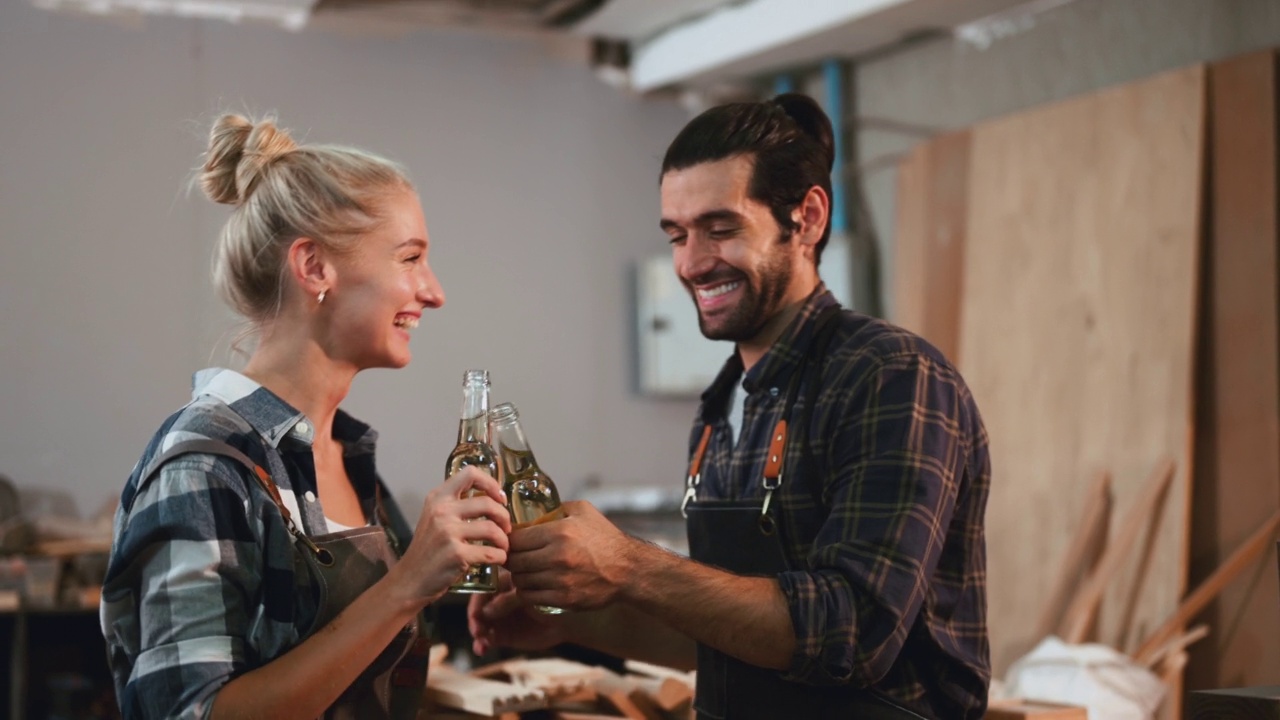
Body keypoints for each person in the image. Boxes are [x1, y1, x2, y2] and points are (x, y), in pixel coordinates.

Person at [469, 94, 991, 719]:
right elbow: (732, 637)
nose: (691, 262)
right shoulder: (720, 410)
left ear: (808, 218)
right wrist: (579, 627)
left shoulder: (889, 376)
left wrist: (630, 565)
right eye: (677, 235)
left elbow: (852, 633)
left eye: (721, 229)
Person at [100, 114, 512, 720]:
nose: (433, 291)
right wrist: (405, 586)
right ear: (314, 267)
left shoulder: (349, 456)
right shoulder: (206, 467)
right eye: (410, 258)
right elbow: (195, 712)